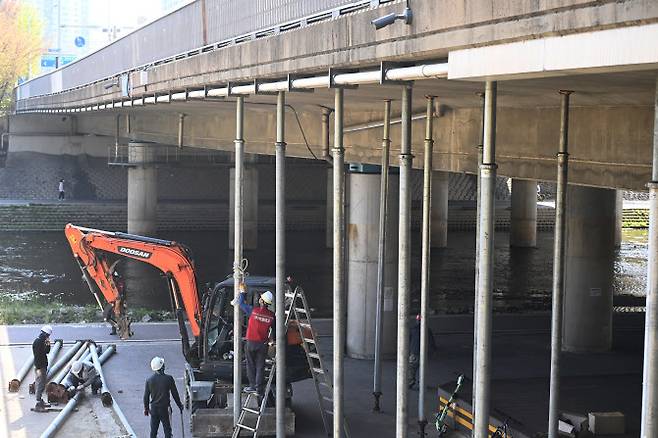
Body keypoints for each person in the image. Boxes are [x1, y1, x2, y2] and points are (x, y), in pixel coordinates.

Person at [236, 289, 275, 395]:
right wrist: (272, 340)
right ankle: (259, 388)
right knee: (260, 366)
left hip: (251, 343)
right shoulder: (271, 315)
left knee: (250, 364)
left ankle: (253, 386)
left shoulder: (253, 311)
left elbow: (240, 303)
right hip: (262, 344)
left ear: (262, 301)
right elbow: (274, 330)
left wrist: (242, 292)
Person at [144, 356, 183, 438]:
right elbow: (174, 394)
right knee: (167, 430)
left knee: (153, 431)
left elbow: (146, 396)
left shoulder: (149, 380)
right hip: (165, 409)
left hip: (154, 409)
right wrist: (179, 405)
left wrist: (146, 409)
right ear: (162, 367)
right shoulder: (169, 379)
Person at [408, 314, 437, 389]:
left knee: (412, 367)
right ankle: (422, 382)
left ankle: (411, 381)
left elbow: (409, 340)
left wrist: (409, 350)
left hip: (414, 351)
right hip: (423, 352)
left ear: (417, 321)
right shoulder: (427, 330)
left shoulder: (413, 329)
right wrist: (434, 350)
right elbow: (431, 341)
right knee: (422, 368)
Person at [32, 325, 53, 411]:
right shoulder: (38, 342)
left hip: (41, 366)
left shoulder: (41, 341)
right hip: (40, 366)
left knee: (42, 383)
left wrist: (48, 344)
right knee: (40, 383)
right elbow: (39, 355)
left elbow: (47, 352)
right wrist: (40, 368)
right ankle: (38, 403)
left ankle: (40, 401)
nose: (48, 337)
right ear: (45, 334)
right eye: (48, 335)